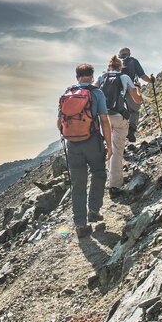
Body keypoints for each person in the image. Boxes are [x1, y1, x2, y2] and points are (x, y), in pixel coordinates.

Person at [57, 63, 112, 238]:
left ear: (77, 76)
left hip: (72, 145)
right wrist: (109, 145)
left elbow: (59, 124)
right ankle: (94, 211)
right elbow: (104, 120)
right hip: (92, 142)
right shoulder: (96, 93)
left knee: (78, 183)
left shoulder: (66, 95)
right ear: (92, 75)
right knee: (98, 173)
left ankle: (80, 224)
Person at [96, 55, 142, 198]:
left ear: (109, 66)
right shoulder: (124, 78)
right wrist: (138, 89)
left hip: (103, 117)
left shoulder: (102, 77)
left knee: (109, 147)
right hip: (118, 116)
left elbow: (93, 93)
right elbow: (137, 100)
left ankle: (109, 178)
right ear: (120, 67)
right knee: (117, 150)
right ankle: (115, 185)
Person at [118, 47, 155, 142]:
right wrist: (151, 80)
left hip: (117, 90)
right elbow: (142, 75)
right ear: (129, 54)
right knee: (134, 111)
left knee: (117, 113)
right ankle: (131, 130)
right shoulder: (133, 61)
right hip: (131, 88)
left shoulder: (115, 62)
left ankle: (118, 136)